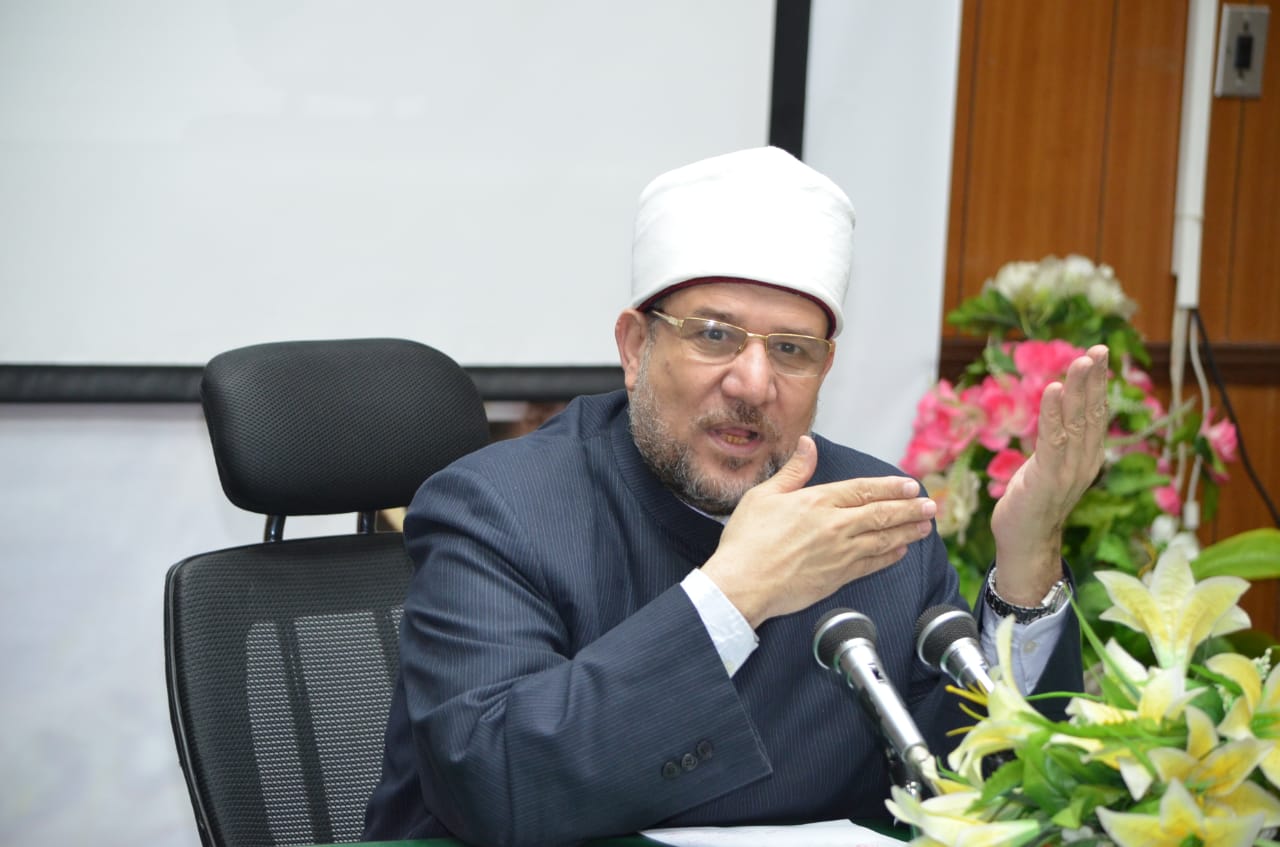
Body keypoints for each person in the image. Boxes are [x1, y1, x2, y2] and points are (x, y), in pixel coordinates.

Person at [364, 147, 1108, 846]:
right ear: (635, 347)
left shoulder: (873, 518)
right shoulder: (498, 509)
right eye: (715, 335)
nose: (753, 384)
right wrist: (733, 595)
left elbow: (981, 797)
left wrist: (1027, 561)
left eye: (791, 350)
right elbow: (494, 786)